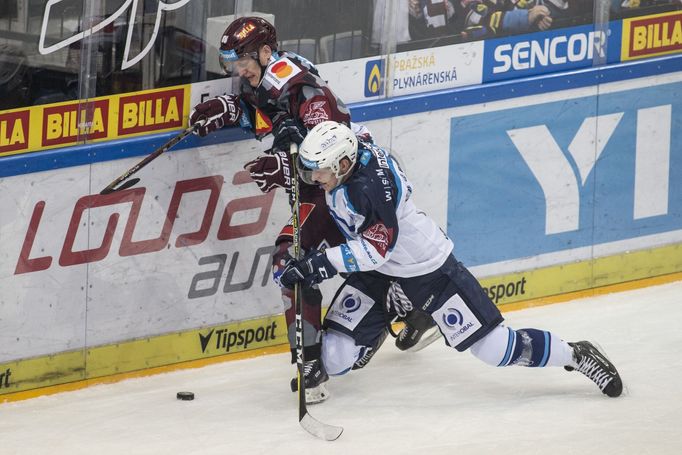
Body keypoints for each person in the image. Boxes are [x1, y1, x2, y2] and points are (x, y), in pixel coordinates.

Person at [279, 121, 624, 399]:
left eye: (318, 171)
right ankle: (398, 306)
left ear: (342, 164)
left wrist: (318, 264)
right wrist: (303, 133)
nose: (313, 179)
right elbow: (355, 130)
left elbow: (374, 250)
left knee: (495, 349)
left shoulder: (366, 190)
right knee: (335, 361)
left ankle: (576, 354)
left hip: (427, 270)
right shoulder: (354, 151)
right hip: (382, 274)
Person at [187, 17, 435, 404]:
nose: (238, 69)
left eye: (243, 61)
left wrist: (286, 167)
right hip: (314, 193)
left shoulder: (304, 88)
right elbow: (267, 119)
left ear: (266, 52)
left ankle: (327, 353)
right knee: (304, 263)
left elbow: (334, 154)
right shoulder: (263, 80)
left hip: (336, 195)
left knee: (302, 259)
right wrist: (227, 110)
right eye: (232, 62)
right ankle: (384, 317)